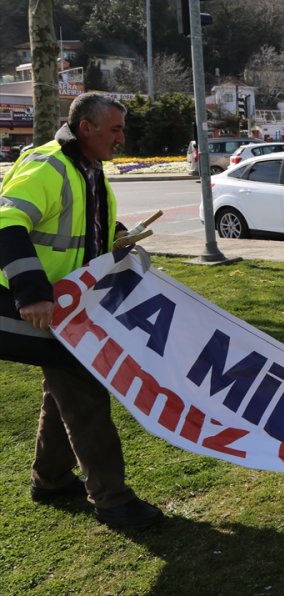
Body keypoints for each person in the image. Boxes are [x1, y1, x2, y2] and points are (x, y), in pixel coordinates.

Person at [0, 92, 165, 527]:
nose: (121, 138)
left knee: (65, 386)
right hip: (35, 303)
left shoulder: (88, 170)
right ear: (86, 127)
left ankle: (51, 479)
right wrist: (32, 292)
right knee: (85, 388)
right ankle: (113, 500)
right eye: (115, 129)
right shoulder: (48, 165)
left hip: (69, 306)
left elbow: (89, 224)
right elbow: (6, 222)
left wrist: (120, 234)